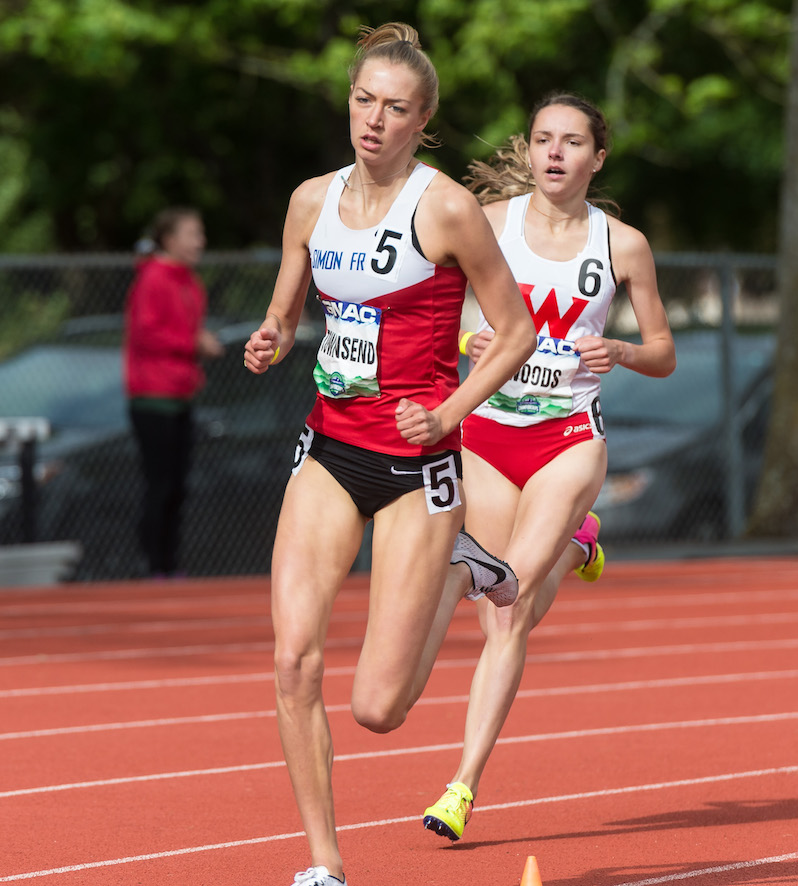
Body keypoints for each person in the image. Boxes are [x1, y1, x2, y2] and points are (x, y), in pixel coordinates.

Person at [241, 23, 535, 886]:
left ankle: (461, 565)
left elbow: (514, 332)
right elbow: (287, 313)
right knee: (293, 659)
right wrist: (270, 337)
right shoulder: (309, 200)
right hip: (331, 450)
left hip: (418, 470)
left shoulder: (444, 208)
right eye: (364, 101)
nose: (374, 120)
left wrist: (447, 414)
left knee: (379, 708)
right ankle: (325, 867)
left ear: (424, 118)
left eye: (395, 108)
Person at [417, 92, 676, 842]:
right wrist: (468, 341)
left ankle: (461, 786)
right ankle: (577, 545)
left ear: (597, 158)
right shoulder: (487, 225)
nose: (555, 152)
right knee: (503, 611)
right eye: (542, 139)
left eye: (571, 142)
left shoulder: (622, 245)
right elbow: (445, 308)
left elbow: (662, 352)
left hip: (569, 437)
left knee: (510, 589)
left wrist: (621, 351)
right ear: (527, 151)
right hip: (489, 432)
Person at [123, 206, 223, 577]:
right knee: (160, 484)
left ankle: (169, 565)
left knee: (178, 485)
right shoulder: (154, 279)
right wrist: (194, 343)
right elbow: (147, 333)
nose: (200, 241)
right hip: (153, 396)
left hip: (180, 395)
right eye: (192, 234)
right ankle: (154, 566)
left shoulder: (188, 281)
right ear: (170, 239)